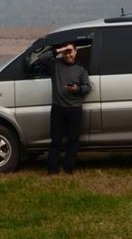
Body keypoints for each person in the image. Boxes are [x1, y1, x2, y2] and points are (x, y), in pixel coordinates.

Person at [37, 42, 91, 174]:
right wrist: (60, 50)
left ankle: (68, 169)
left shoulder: (80, 69)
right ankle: (52, 170)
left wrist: (77, 89)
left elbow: (87, 87)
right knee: (55, 141)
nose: (68, 54)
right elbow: (41, 58)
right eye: (66, 52)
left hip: (75, 110)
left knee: (73, 141)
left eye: (70, 51)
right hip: (58, 109)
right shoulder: (55, 65)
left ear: (76, 52)